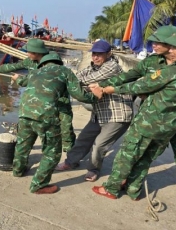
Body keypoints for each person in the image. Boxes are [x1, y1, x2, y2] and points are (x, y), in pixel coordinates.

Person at [91, 25, 176, 213]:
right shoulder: (157, 63)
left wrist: (108, 89)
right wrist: (105, 84)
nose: (155, 46)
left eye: (167, 44)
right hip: (172, 122)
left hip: (155, 121)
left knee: (129, 153)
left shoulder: (173, 71)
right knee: (147, 156)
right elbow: (131, 76)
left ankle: (111, 188)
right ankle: (134, 188)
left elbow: (140, 85)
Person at [11, 52, 100, 194]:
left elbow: (22, 81)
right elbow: (79, 95)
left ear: (43, 63)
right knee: (52, 152)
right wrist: (95, 96)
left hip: (24, 114)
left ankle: (18, 170)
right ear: (58, 62)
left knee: (23, 144)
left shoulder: (35, 72)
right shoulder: (65, 71)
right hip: (45, 116)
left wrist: (16, 78)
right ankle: (39, 185)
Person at [55, 39, 133, 182]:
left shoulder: (112, 67)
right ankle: (70, 162)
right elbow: (76, 78)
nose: (95, 57)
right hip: (100, 113)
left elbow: (84, 81)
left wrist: (83, 84)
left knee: (99, 145)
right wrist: (84, 84)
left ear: (109, 54)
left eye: (99, 54)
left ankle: (93, 169)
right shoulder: (92, 67)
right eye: (94, 54)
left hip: (117, 115)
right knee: (83, 139)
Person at [0, 38, 76, 152]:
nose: (26, 54)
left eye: (29, 51)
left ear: (36, 52)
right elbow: (13, 67)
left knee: (66, 127)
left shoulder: (52, 60)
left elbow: (39, 81)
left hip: (59, 99)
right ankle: (38, 149)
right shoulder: (29, 61)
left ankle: (69, 155)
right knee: (36, 126)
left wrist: (20, 80)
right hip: (40, 100)